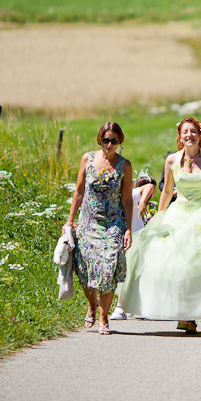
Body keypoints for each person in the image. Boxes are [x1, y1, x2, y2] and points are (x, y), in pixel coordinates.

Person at [118, 117, 201, 333]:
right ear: (180, 137)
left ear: (200, 135)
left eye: (193, 131)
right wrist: (159, 218)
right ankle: (185, 313)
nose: (189, 135)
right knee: (173, 261)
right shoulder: (172, 160)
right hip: (179, 210)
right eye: (185, 132)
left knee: (200, 261)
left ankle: (194, 312)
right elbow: (168, 191)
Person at [64, 122, 133, 336]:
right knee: (86, 269)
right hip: (88, 223)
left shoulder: (124, 165)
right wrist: (70, 220)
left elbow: (127, 199)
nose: (109, 144)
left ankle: (104, 317)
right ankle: (92, 305)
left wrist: (129, 230)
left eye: (114, 140)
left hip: (113, 223)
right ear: (99, 140)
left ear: (119, 141)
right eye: (106, 140)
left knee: (109, 266)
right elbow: (79, 191)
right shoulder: (88, 158)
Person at [110, 174, 157, 321]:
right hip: (131, 241)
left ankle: (129, 306)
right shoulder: (134, 194)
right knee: (130, 273)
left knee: (134, 274)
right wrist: (143, 202)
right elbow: (150, 186)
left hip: (133, 240)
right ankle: (119, 307)